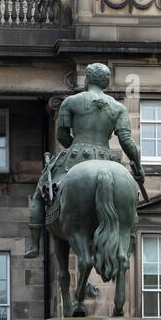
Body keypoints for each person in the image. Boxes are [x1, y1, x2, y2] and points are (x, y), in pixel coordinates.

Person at [25, 61, 144, 258]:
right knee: (130, 198)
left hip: (75, 156)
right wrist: (138, 167)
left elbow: (61, 136)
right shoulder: (118, 108)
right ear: (106, 83)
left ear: (87, 79)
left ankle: (34, 245)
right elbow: (126, 140)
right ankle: (127, 232)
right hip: (108, 158)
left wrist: (76, 145)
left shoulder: (71, 102)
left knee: (39, 194)